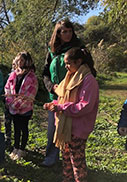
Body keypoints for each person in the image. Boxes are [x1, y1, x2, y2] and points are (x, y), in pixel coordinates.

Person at [45, 47, 99, 182]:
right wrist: (53, 104)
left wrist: (61, 108)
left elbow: (84, 106)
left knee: (78, 161)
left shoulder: (88, 80)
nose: (66, 67)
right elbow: (62, 99)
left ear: (79, 62)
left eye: (68, 64)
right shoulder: (70, 78)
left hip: (78, 128)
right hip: (66, 127)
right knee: (66, 156)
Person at [41, 19, 85, 167]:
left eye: (69, 31)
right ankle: (51, 158)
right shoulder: (52, 50)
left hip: (74, 96)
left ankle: (72, 163)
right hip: (55, 96)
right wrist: (51, 87)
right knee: (53, 130)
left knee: (72, 132)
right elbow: (45, 73)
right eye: (63, 31)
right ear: (58, 33)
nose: (67, 34)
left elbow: (88, 71)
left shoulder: (79, 48)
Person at [4, 52, 38, 160]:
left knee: (24, 128)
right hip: (13, 109)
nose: (20, 62)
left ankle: (22, 150)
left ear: (27, 61)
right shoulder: (13, 74)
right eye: (18, 60)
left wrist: (17, 104)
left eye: (22, 60)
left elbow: (30, 94)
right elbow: (7, 89)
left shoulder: (32, 77)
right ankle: (15, 148)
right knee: (16, 129)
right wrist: (10, 102)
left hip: (25, 109)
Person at [4, 58, 17, 151]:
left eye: (15, 64)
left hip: (18, 106)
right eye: (12, 64)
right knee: (7, 122)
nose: (14, 66)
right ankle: (7, 139)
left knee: (16, 124)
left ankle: (17, 142)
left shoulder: (22, 77)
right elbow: (4, 88)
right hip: (8, 105)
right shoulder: (8, 76)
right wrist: (5, 101)